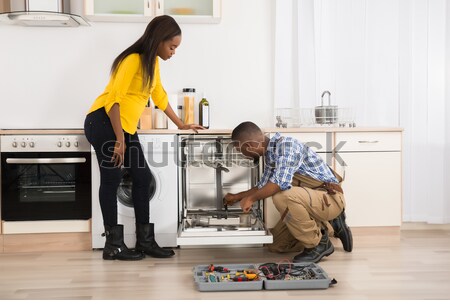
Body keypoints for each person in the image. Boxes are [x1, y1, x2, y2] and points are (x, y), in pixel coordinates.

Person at [84, 15, 203, 261]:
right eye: (172, 46)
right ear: (159, 40)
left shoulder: (152, 64)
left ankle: (145, 242)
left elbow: (159, 96)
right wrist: (119, 139)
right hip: (104, 122)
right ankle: (113, 246)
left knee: (142, 177)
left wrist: (182, 124)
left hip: (124, 128)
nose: (173, 52)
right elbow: (113, 101)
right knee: (112, 179)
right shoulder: (132, 60)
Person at [223, 122, 352, 263]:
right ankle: (330, 227)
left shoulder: (287, 146)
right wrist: (236, 196)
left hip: (329, 198)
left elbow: (279, 183)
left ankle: (318, 244)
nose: (242, 155)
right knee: (276, 245)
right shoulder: (271, 155)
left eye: (239, 150)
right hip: (312, 200)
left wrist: (251, 199)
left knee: (282, 196)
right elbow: (264, 186)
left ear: (250, 146)